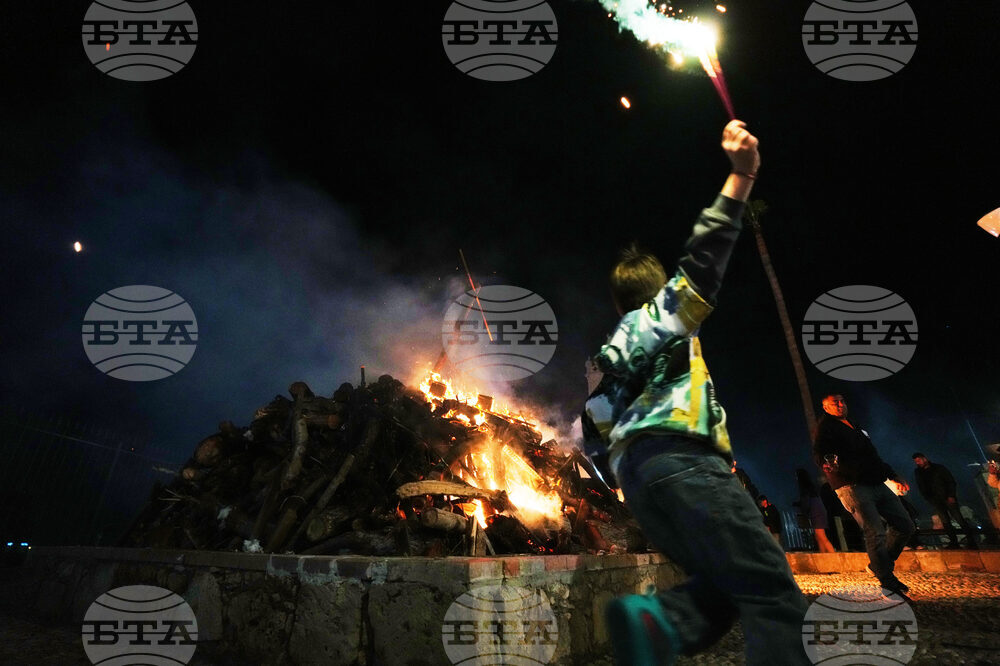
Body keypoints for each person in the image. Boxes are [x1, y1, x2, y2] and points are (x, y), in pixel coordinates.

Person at [585, 120, 811, 666]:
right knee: (772, 592)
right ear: (657, 287)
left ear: (617, 303)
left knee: (726, 584)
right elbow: (707, 254)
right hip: (686, 461)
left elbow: (594, 418)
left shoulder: (610, 348)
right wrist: (743, 174)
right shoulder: (669, 312)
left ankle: (659, 620)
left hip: (638, 481)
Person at [812, 394, 914, 596]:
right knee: (874, 531)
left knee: (905, 525)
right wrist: (826, 464)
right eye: (835, 403)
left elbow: (872, 454)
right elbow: (820, 452)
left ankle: (879, 565)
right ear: (826, 408)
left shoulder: (855, 425)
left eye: (842, 401)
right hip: (851, 485)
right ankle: (887, 581)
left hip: (876, 481)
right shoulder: (825, 427)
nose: (840, 405)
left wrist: (892, 475)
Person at [912, 453, 979, 549]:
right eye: (916, 461)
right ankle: (954, 542)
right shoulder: (918, 472)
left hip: (947, 497)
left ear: (924, 459)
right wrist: (928, 498)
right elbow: (921, 486)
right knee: (945, 522)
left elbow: (950, 481)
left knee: (959, 519)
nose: (917, 463)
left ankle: (971, 542)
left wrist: (951, 495)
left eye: (918, 460)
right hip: (935, 500)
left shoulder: (939, 468)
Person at [796, 468, 835, 552]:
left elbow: (805, 502)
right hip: (819, 511)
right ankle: (823, 555)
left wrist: (804, 511)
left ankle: (834, 556)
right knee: (818, 536)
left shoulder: (805, 490)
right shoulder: (812, 488)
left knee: (822, 536)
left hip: (816, 513)